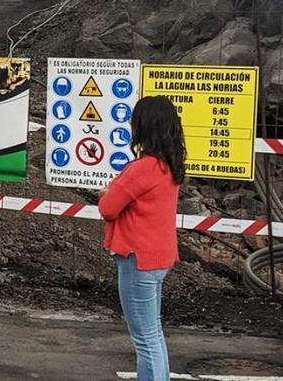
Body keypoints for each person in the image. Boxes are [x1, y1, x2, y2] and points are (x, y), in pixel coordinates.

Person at [98, 95, 185, 381]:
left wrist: (106, 194)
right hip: (159, 258)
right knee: (153, 334)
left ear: (143, 127)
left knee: (144, 340)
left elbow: (108, 208)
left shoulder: (142, 168)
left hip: (138, 260)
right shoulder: (168, 166)